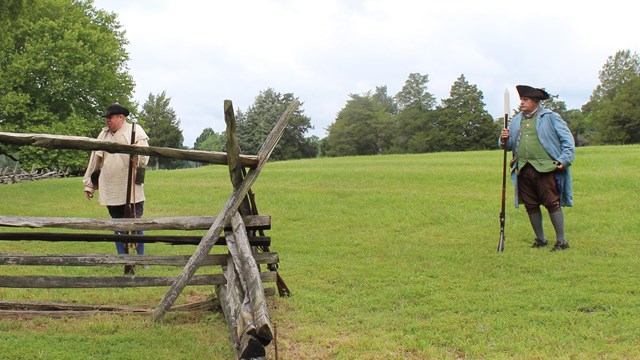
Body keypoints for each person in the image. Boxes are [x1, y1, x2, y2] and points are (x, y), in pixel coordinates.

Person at [500, 85, 575, 251]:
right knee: (531, 204)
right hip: (523, 168)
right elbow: (509, 145)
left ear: (535, 101)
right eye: (521, 99)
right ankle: (541, 240)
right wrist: (503, 138)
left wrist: (563, 161)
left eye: (525, 100)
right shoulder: (517, 120)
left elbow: (568, 141)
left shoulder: (551, 117)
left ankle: (562, 241)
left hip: (547, 168)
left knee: (552, 203)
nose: (522, 103)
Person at [83, 103, 149, 272]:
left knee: (136, 224)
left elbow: (144, 157)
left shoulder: (135, 130)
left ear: (121, 117)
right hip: (111, 188)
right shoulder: (103, 135)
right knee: (117, 226)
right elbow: (94, 161)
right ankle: (123, 259)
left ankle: (141, 259)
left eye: (110, 117)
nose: (108, 121)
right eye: (107, 118)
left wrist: (137, 152)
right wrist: (89, 185)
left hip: (131, 186)